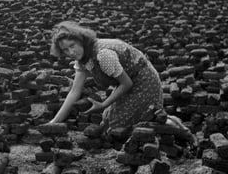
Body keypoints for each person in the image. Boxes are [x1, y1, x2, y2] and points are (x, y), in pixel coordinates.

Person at [48, 21, 196, 142]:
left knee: (121, 125)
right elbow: (74, 91)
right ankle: (160, 120)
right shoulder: (83, 59)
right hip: (128, 81)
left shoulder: (103, 55)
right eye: (66, 50)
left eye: (72, 46)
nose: (71, 52)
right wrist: (53, 122)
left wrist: (104, 104)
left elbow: (127, 84)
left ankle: (178, 129)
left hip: (144, 81)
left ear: (80, 40)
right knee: (107, 120)